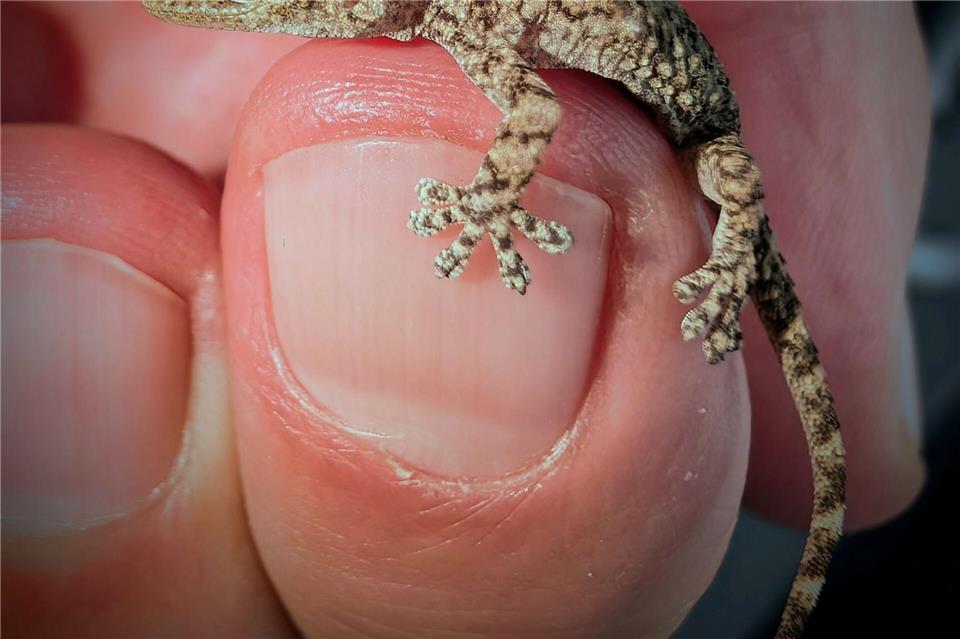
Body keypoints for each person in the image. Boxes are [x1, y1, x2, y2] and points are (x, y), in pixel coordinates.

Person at [1, 3, 929, 636]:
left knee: (726, 192)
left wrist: (493, 202)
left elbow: (529, 110)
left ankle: (809, 570)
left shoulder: (474, 22)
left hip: (706, 138)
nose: (289, 18)